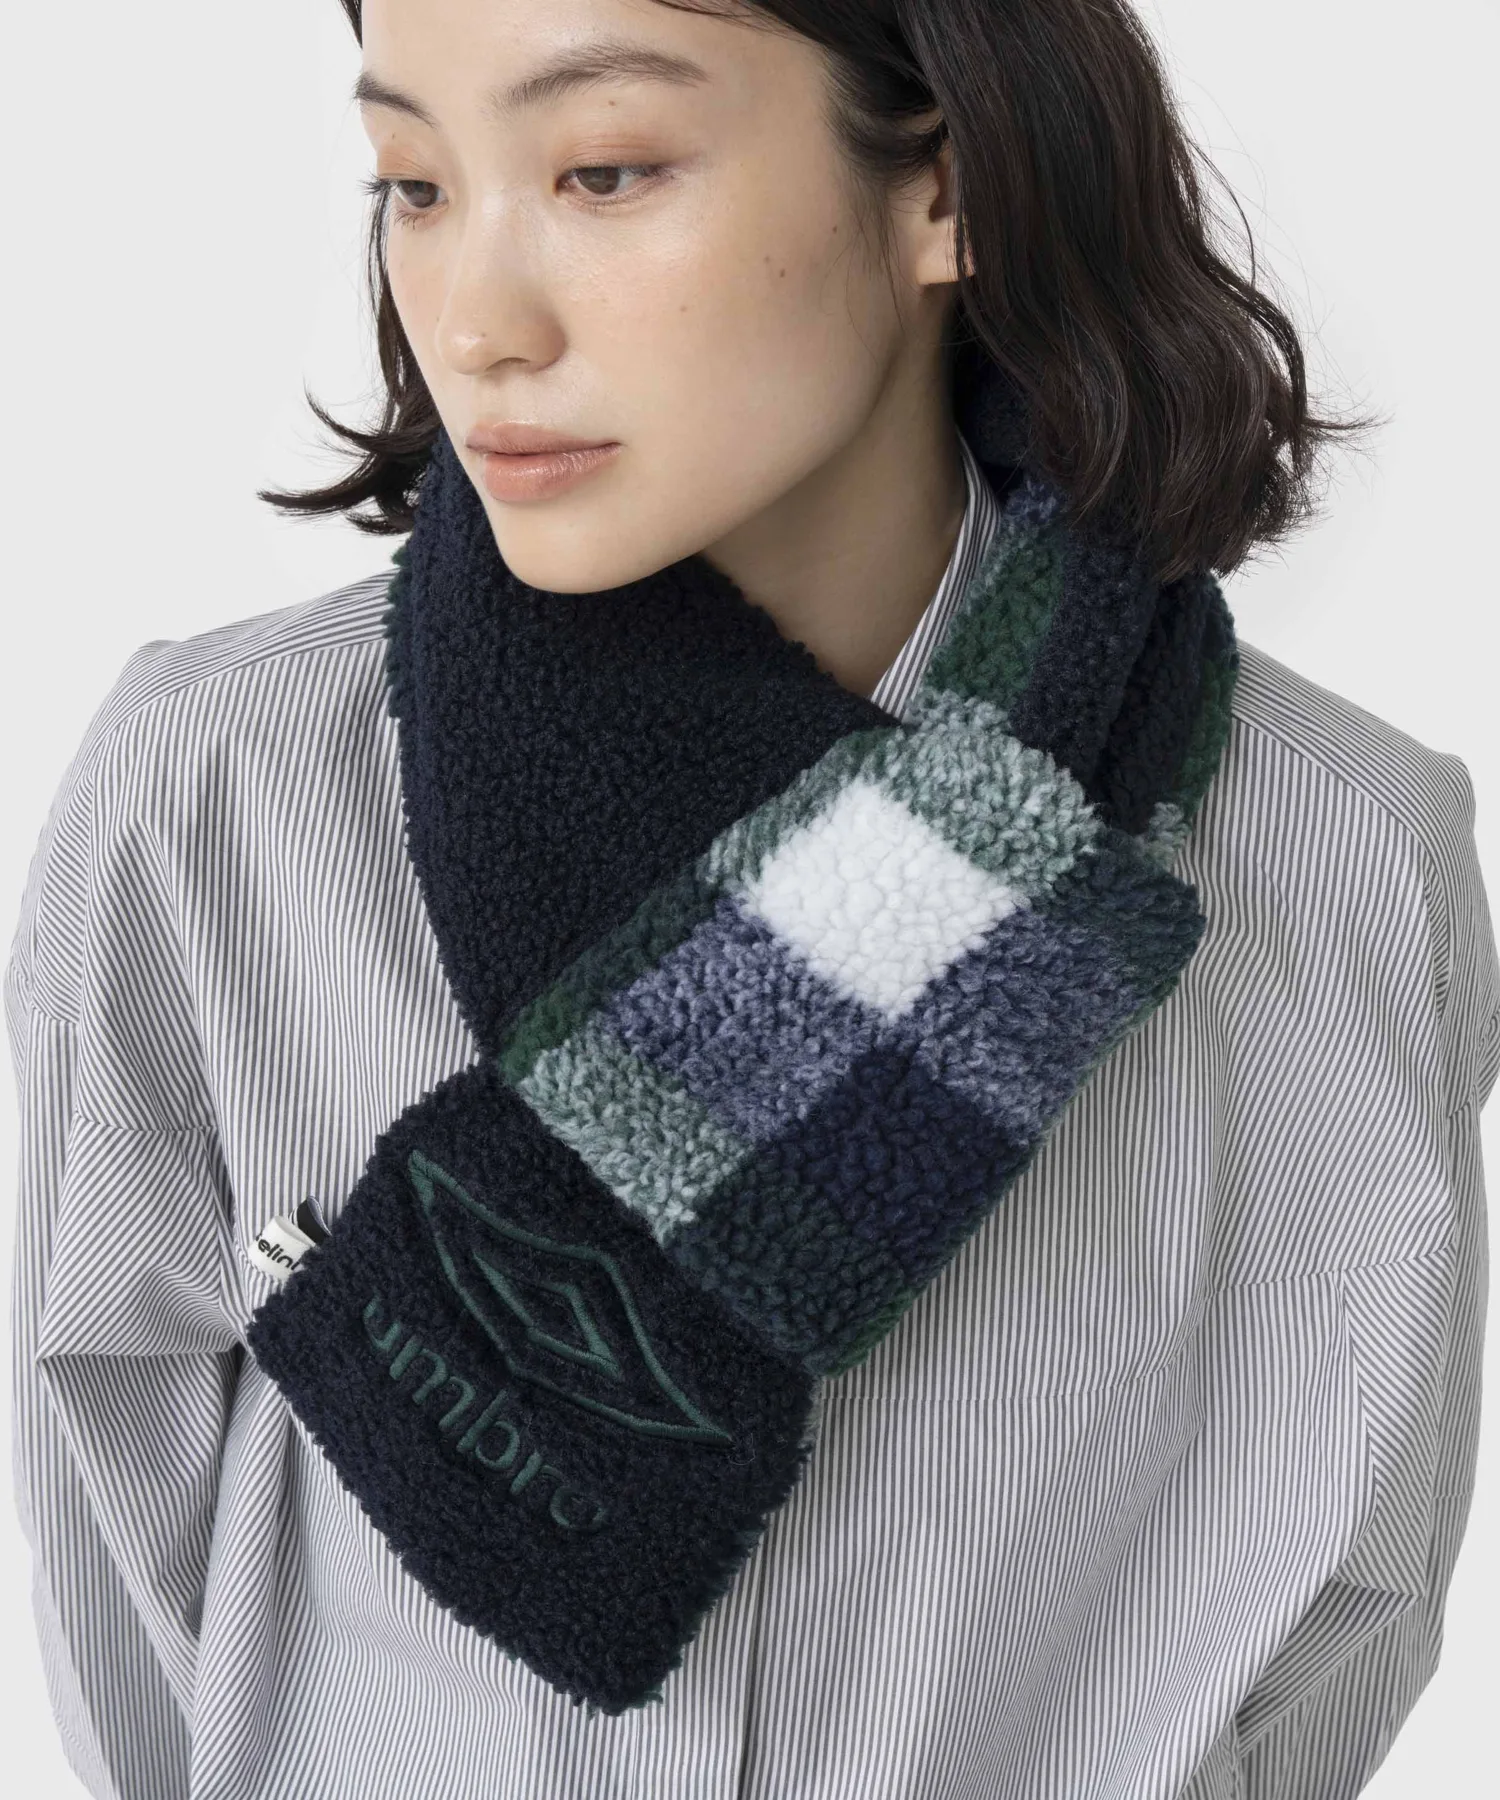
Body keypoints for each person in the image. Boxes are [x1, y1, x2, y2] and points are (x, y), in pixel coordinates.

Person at [6, 0, 1496, 1795]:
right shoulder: (218, 798)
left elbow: (1331, 1620)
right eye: (414, 183)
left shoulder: (1339, 862)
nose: (475, 322)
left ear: (948, 185)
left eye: (604, 171)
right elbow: (127, 1553)